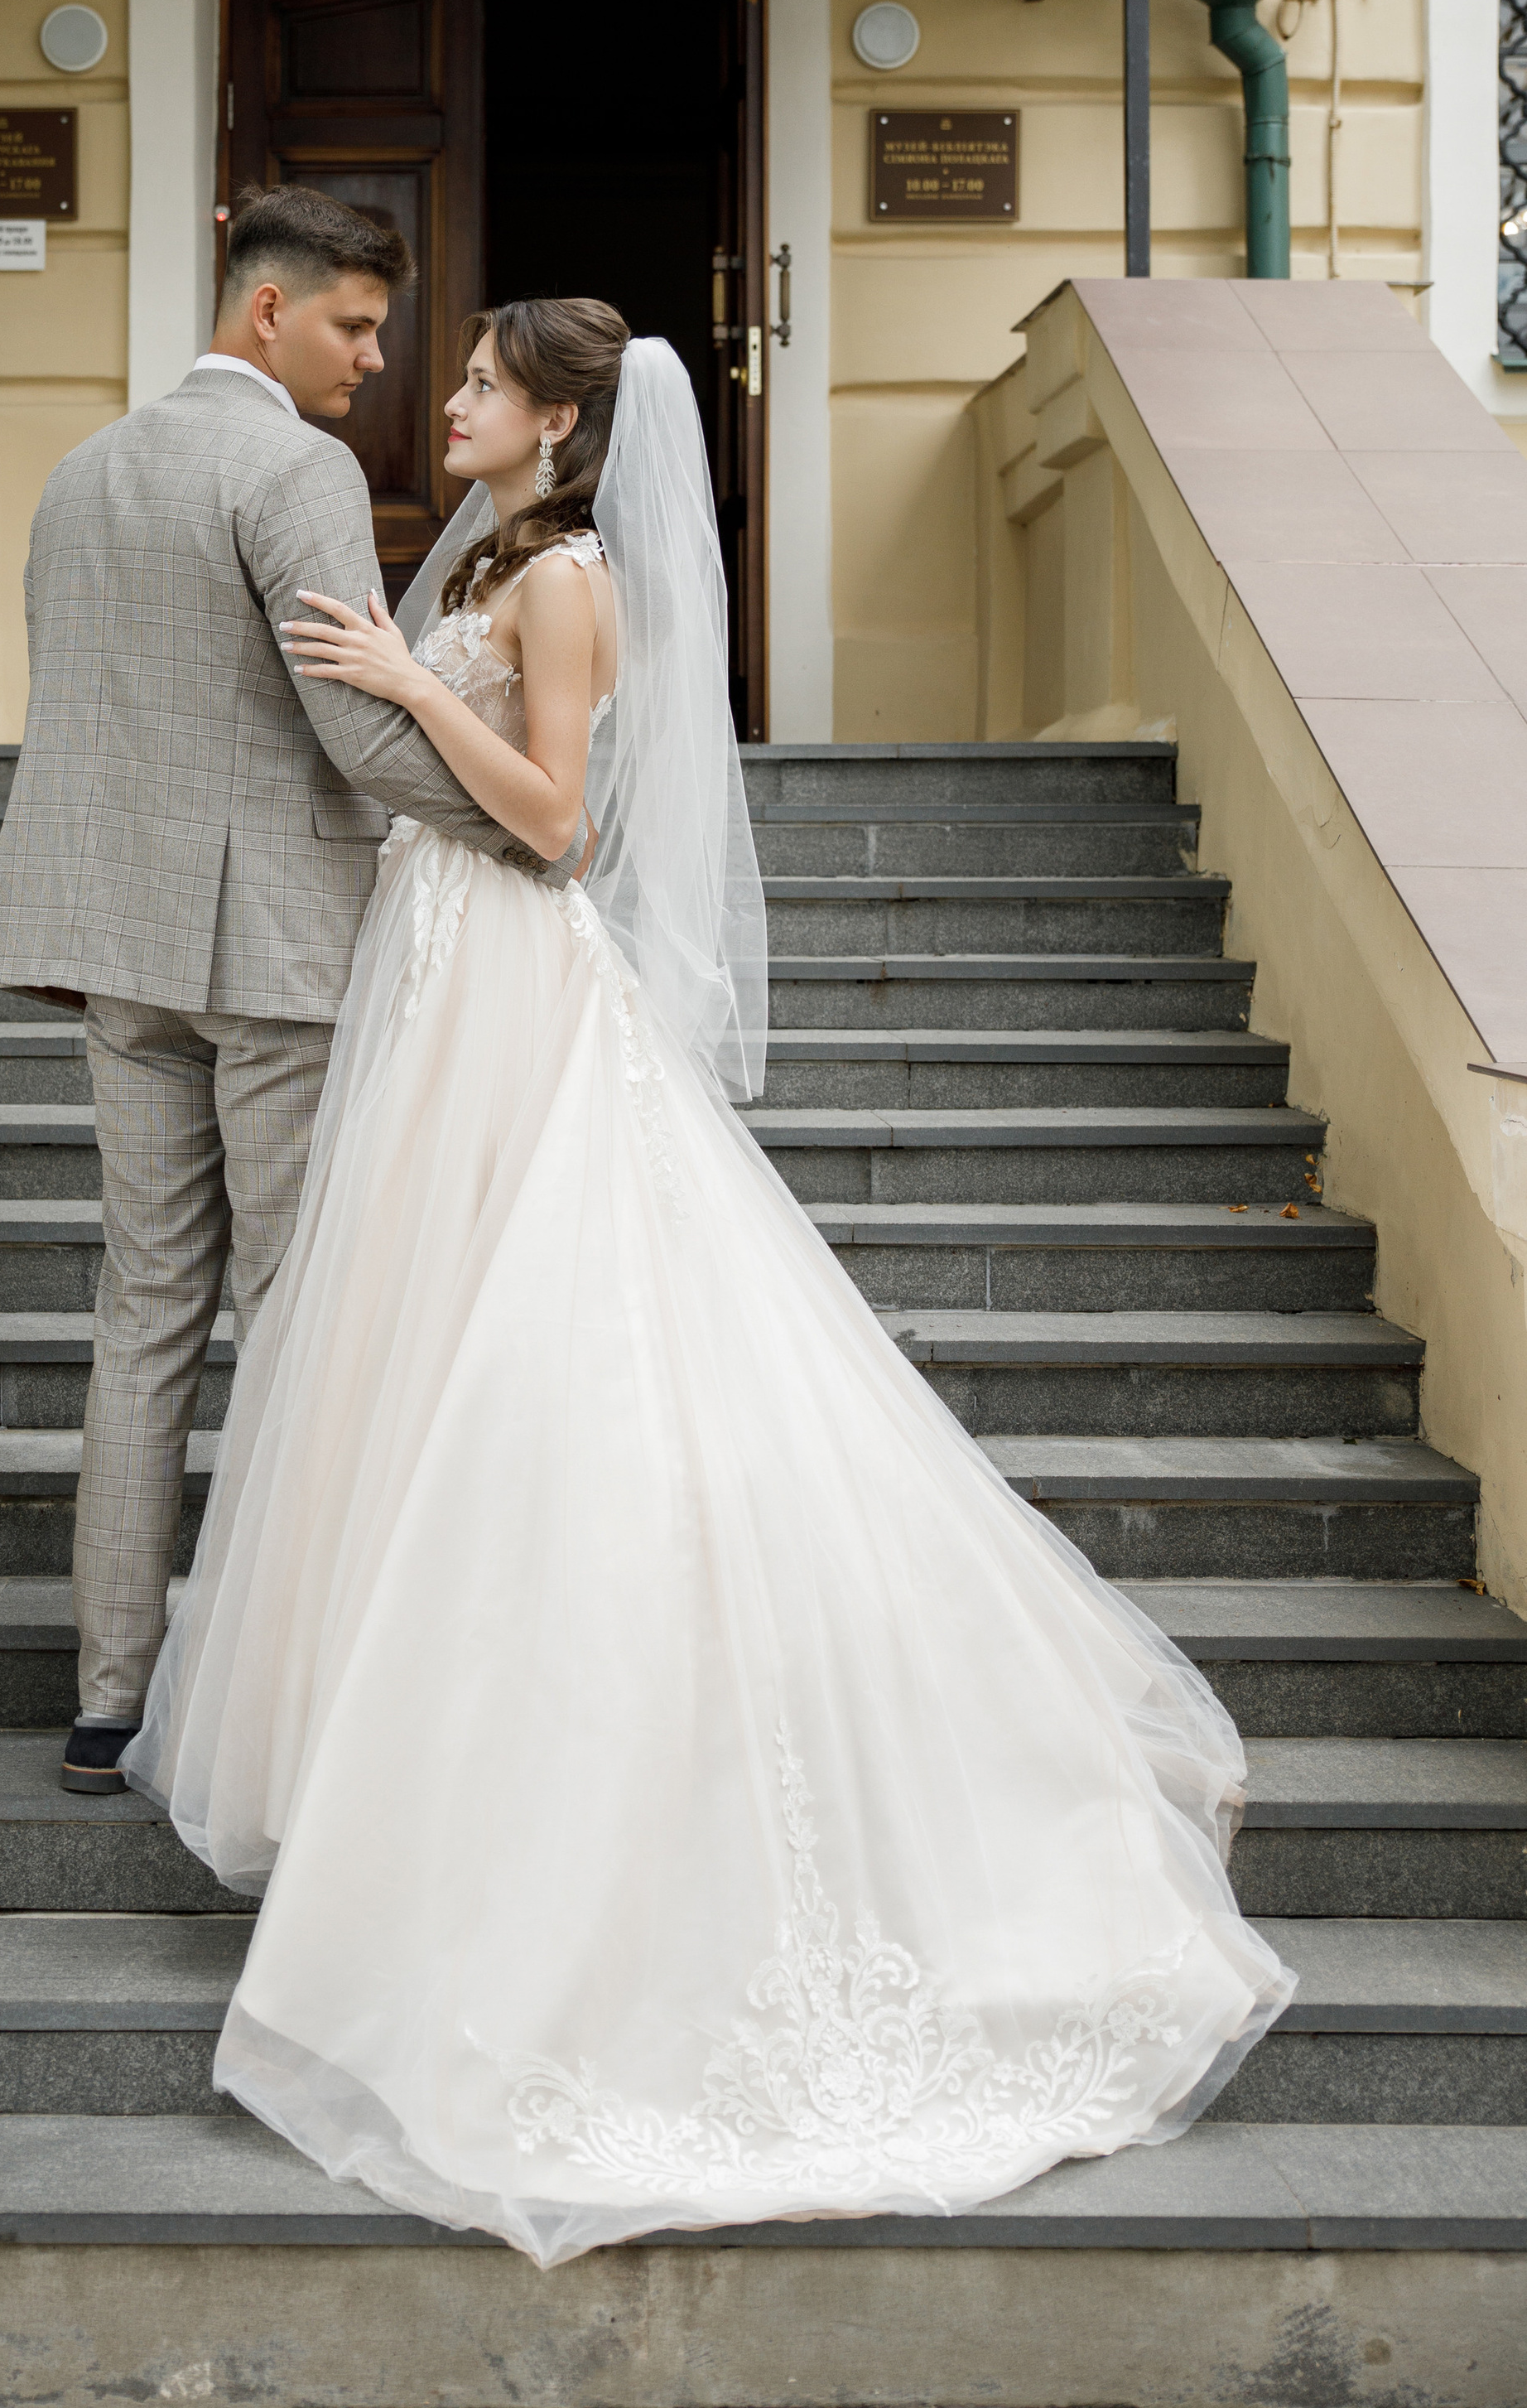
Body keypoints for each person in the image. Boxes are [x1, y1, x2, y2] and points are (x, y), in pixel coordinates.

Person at [124, 294, 1293, 2266]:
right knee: (416, 1365)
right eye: (456, 376)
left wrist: (408, 692)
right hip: (432, 987)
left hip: (513, 994)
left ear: (561, 422)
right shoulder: (480, 558)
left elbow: (558, 827)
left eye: (482, 382)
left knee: (539, 1365)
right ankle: (396, 1774)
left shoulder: (565, 579)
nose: (449, 399)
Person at [0, 189, 582, 1795]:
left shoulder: (81, 471)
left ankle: (109, 1699)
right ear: (267, 312)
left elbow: (93, 703)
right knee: (301, 1318)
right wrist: (522, 835)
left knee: (142, 1311)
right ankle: (278, 1701)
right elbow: (355, 731)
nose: (375, 361)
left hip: (120, 946)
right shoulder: (295, 470)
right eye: (355, 327)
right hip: (276, 955)